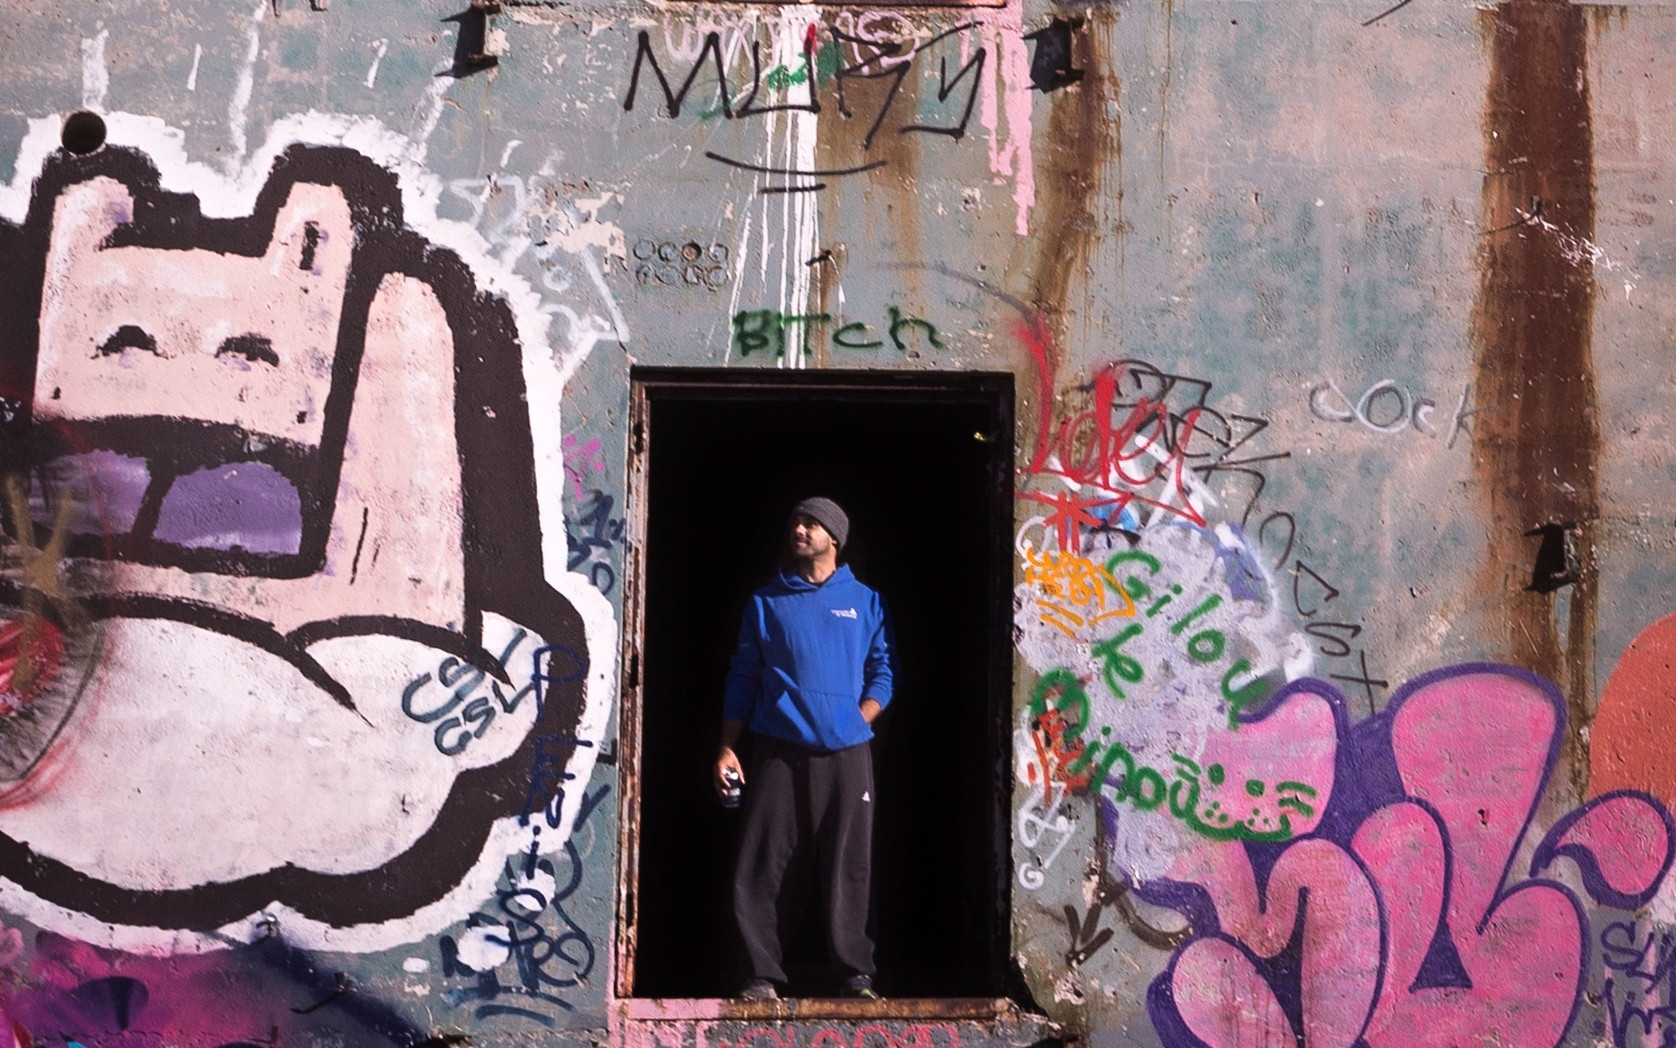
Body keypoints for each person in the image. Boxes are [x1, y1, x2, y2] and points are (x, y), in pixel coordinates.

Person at [715, 497, 894, 1001]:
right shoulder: (767, 602)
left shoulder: (865, 601)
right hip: (779, 750)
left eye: (811, 523)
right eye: (795, 520)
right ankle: (758, 975)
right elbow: (744, 676)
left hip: (847, 754)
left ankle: (855, 975)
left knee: (849, 864)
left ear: (834, 538)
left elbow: (884, 672)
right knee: (764, 862)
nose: (799, 528)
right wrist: (727, 746)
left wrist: (856, 719)